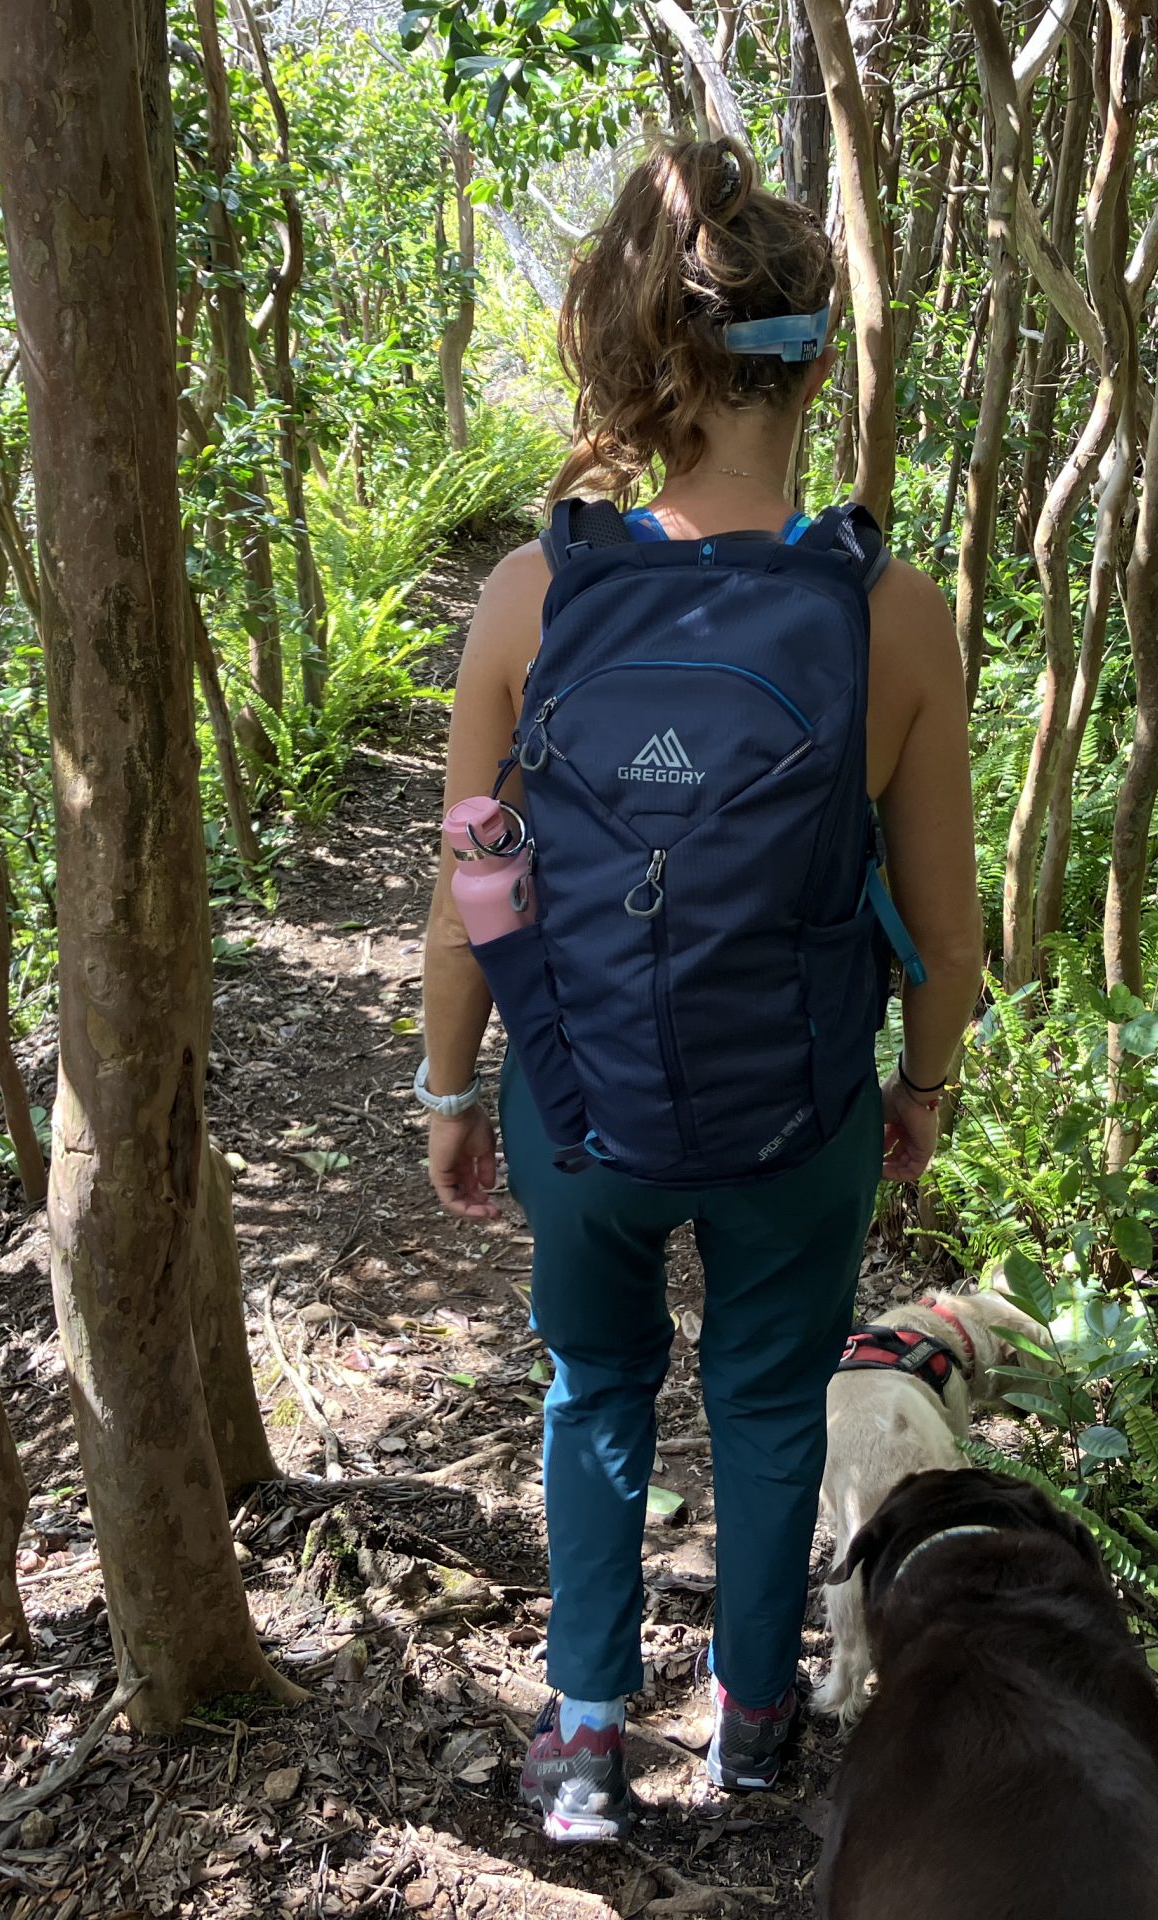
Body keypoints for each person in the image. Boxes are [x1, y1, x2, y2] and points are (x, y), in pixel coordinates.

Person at [416, 138, 978, 1845]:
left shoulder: (534, 595)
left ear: (641, 360)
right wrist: (923, 1090)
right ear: (817, 357)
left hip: (577, 1101)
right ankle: (749, 1728)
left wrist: (456, 1092)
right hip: (797, 1102)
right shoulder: (894, 612)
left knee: (594, 1383)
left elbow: (471, 878)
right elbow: (946, 932)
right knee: (757, 1392)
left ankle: (581, 1737)